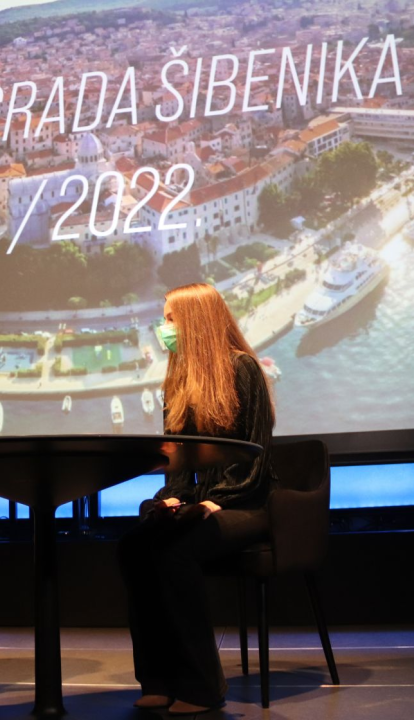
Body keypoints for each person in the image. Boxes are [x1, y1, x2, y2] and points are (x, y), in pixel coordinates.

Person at [118, 283, 278, 715]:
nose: (164, 327)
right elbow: (178, 461)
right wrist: (172, 498)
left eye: (170, 318)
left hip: (245, 503)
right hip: (200, 502)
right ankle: (157, 678)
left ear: (195, 321)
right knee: (134, 545)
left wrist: (216, 501)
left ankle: (201, 686)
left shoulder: (243, 369)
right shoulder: (178, 378)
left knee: (175, 552)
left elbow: (254, 460)